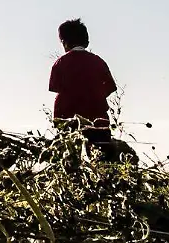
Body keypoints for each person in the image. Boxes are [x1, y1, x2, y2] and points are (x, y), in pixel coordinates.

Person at [48, 18, 118, 151]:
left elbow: (56, 88)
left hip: (68, 119)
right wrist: (95, 96)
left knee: (70, 154)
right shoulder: (98, 62)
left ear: (64, 42)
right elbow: (109, 87)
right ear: (86, 41)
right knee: (101, 154)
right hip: (98, 120)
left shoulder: (61, 63)